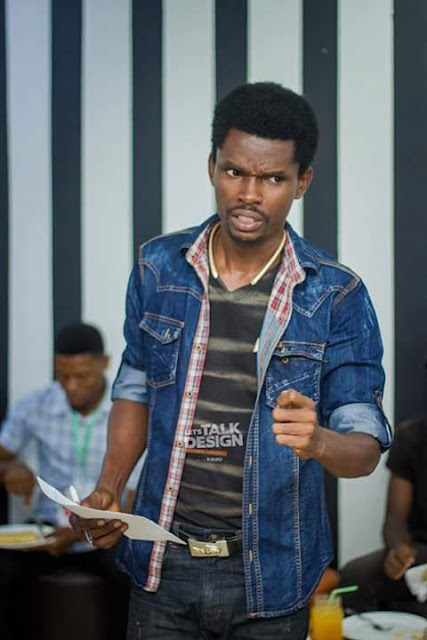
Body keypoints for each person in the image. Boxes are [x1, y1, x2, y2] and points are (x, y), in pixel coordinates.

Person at [71, 82, 392, 640]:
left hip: (272, 574)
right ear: (212, 166)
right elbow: (136, 386)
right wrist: (109, 488)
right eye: (235, 171)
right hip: (162, 565)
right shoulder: (158, 268)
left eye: (273, 179)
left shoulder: (336, 296)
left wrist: (319, 441)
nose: (249, 194)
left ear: (301, 182)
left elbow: (364, 447)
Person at [0, 323, 138, 640]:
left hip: (108, 534)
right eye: (63, 377)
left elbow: (133, 498)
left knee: (133, 574)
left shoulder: (128, 414)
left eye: (82, 376)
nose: (71, 387)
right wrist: (12, 467)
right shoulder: (35, 405)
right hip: (47, 533)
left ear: (104, 363)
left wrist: (77, 533)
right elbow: (2, 456)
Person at [340, 416, 427, 616]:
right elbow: (394, 523)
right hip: (420, 555)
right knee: (353, 577)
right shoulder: (413, 435)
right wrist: (398, 549)